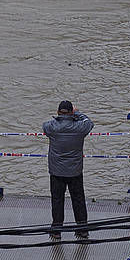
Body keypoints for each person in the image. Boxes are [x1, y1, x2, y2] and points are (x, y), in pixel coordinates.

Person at [43, 99, 94, 241]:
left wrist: (61, 117)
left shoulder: (51, 127)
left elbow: (45, 126)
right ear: (71, 112)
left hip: (56, 171)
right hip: (75, 171)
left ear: (58, 112)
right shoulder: (80, 128)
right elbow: (89, 123)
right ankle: (82, 229)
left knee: (57, 200)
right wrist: (78, 113)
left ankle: (56, 230)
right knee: (78, 199)